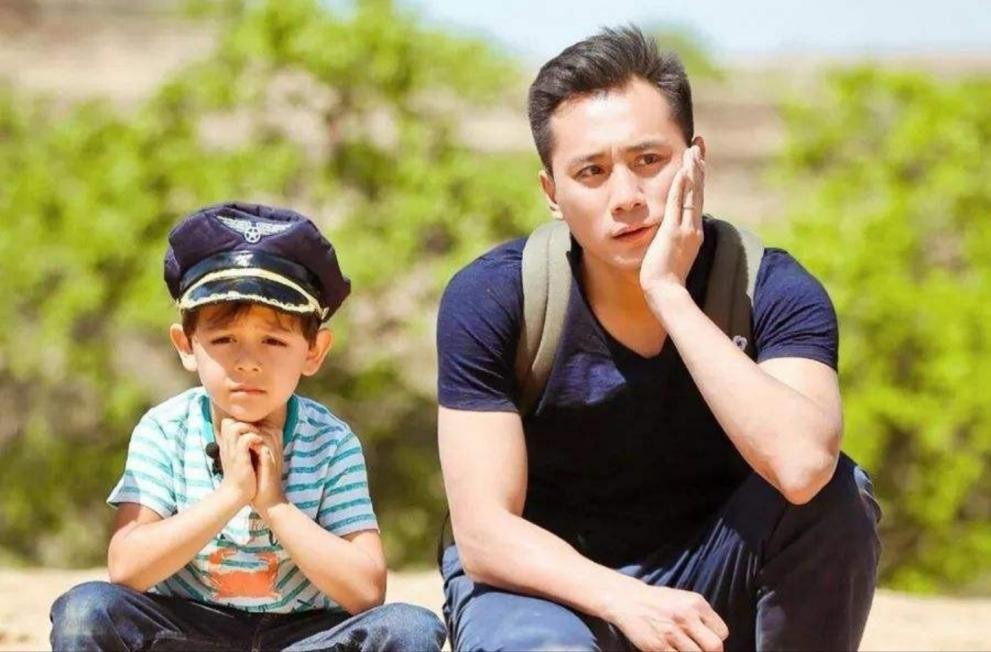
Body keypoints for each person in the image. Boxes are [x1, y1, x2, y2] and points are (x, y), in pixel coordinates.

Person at [436, 27, 881, 651]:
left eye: (649, 161)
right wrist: (628, 601)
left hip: (708, 583)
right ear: (552, 194)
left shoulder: (770, 289)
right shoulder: (494, 296)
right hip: (546, 591)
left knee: (838, 494)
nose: (626, 197)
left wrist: (668, 293)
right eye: (591, 172)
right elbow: (484, 534)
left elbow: (804, 468)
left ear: (696, 160)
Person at [51, 202, 446, 651]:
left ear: (314, 351)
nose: (248, 363)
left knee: (410, 628)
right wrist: (232, 494)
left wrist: (274, 504)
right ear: (186, 346)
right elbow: (126, 569)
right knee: (86, 610)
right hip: (187, 633)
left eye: (274, 341)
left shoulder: (331, 442)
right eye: (224, 339)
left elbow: (367, 590)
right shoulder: (165, 430)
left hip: (303, 637)